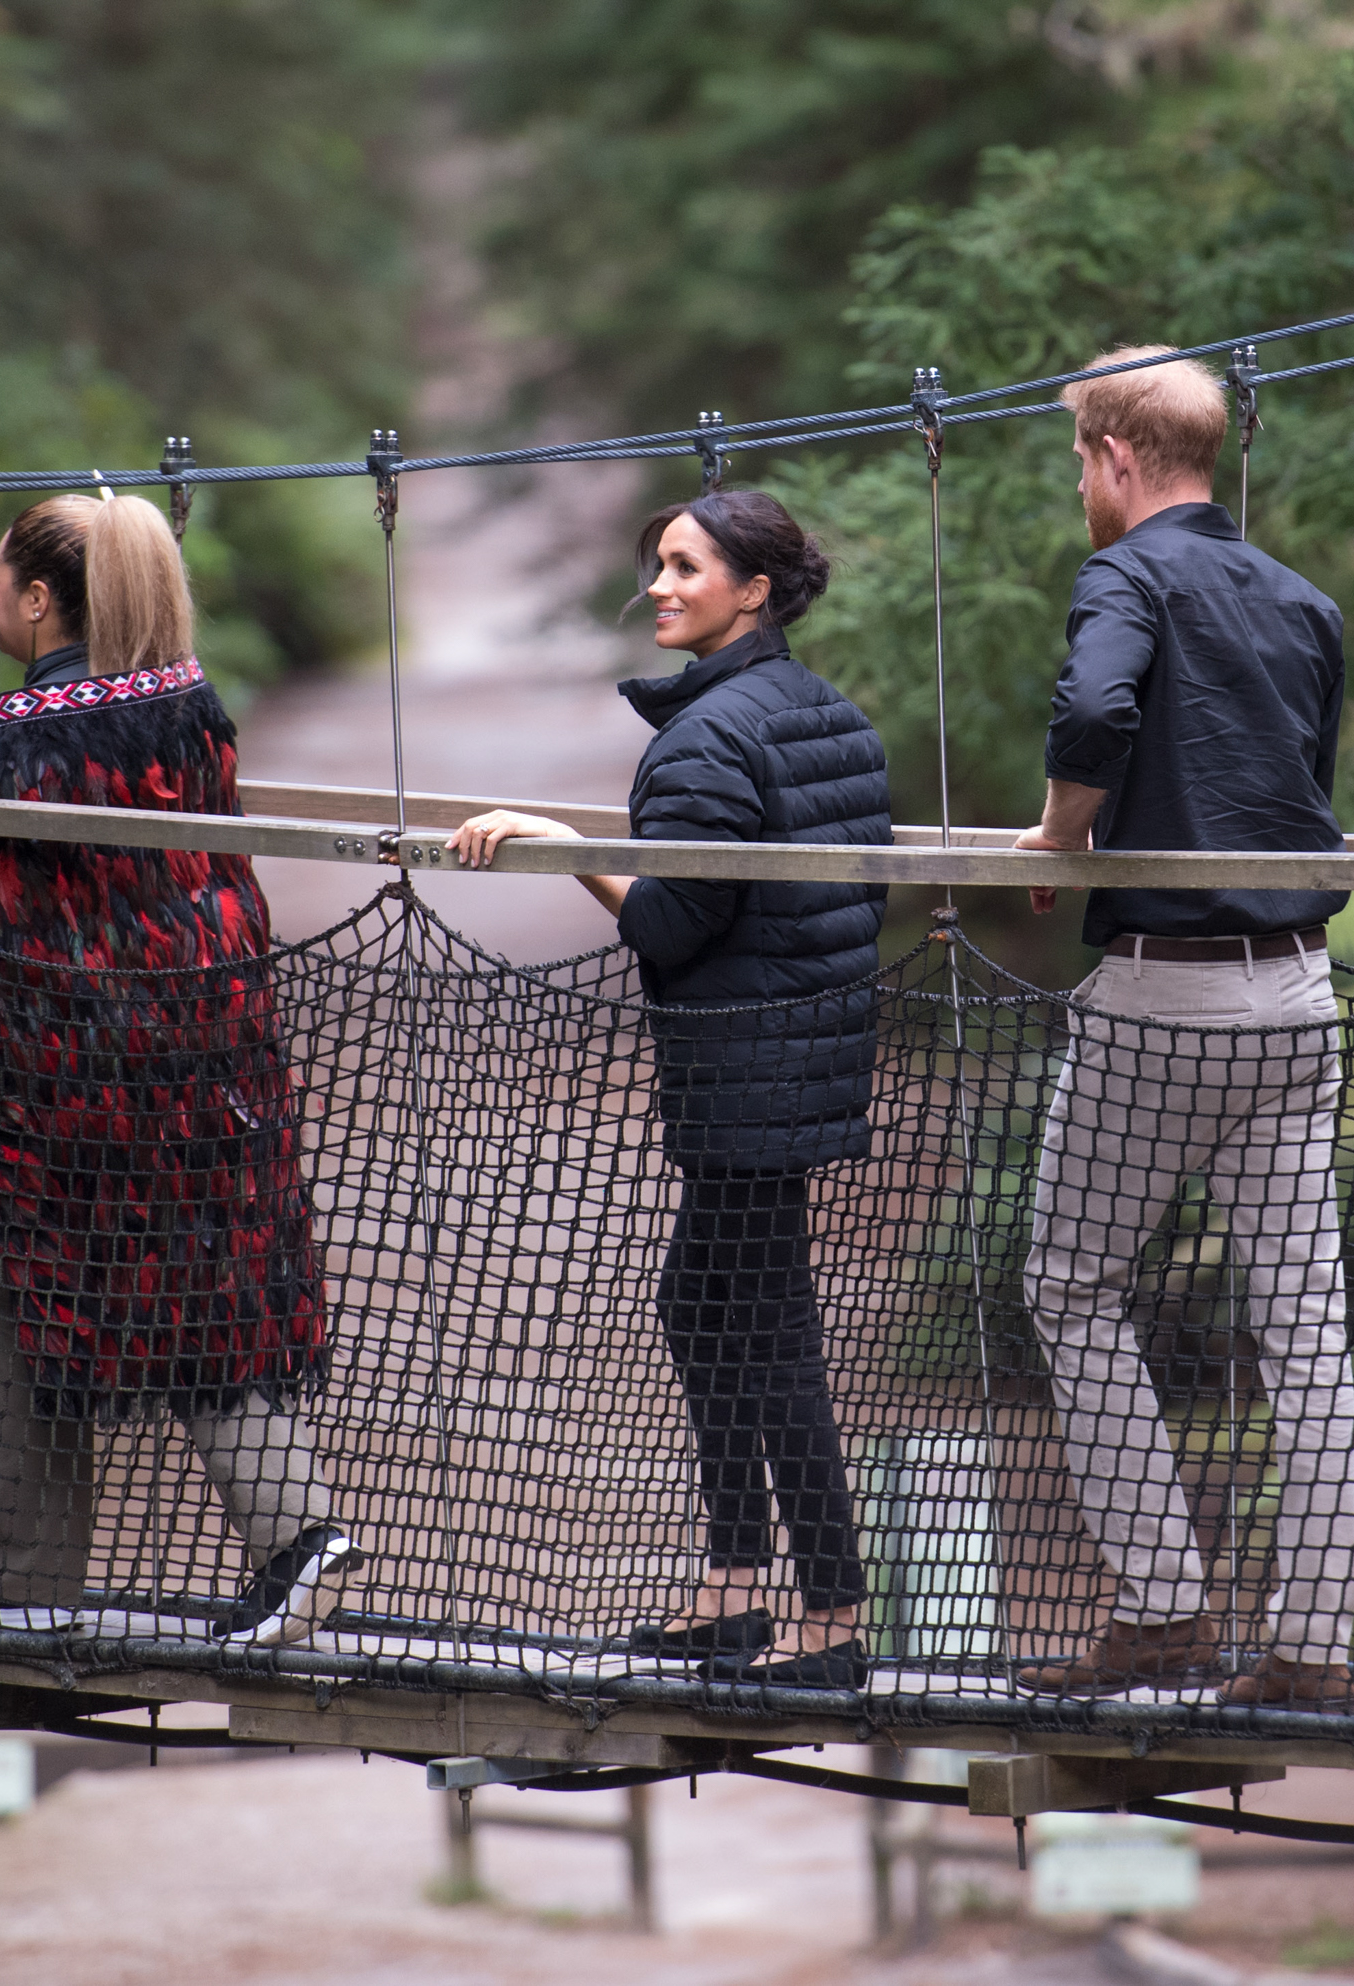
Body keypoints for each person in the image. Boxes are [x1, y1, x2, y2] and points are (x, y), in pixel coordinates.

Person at [0, 490, 359, 1647]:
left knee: (41, 1298)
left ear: (42, 599)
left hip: (58, 1084)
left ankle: (280, 1545)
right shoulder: (187, 701)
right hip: (206, 1049)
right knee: (202, 1289)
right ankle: (41, 1573)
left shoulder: (23, 732)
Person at [447, 489, 890, 1688]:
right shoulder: (827, 714)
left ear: (753, 590)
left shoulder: (704, 738)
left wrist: (558, 842)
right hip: (801, 1062)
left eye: (685, 565)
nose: (658, 582)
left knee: (767, 1335)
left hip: (745, 1076)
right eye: (657, 562)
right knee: (706, 1314)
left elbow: (668, 929)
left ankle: (833, 1619)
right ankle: (736, 1589)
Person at [1007, 348, 1354, 1708]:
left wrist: (1054, 834)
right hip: (1298, 990)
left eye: (1078, 462)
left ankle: (1162, 1606)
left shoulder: (1128, 574)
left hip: (1167, 996)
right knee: (1306, 1326)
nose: (1079, 486)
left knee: (1070, 1281)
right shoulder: (1303, 601)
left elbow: (1098, 708)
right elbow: (1297, 787)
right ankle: (1311, 1647)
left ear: (1115, 457)